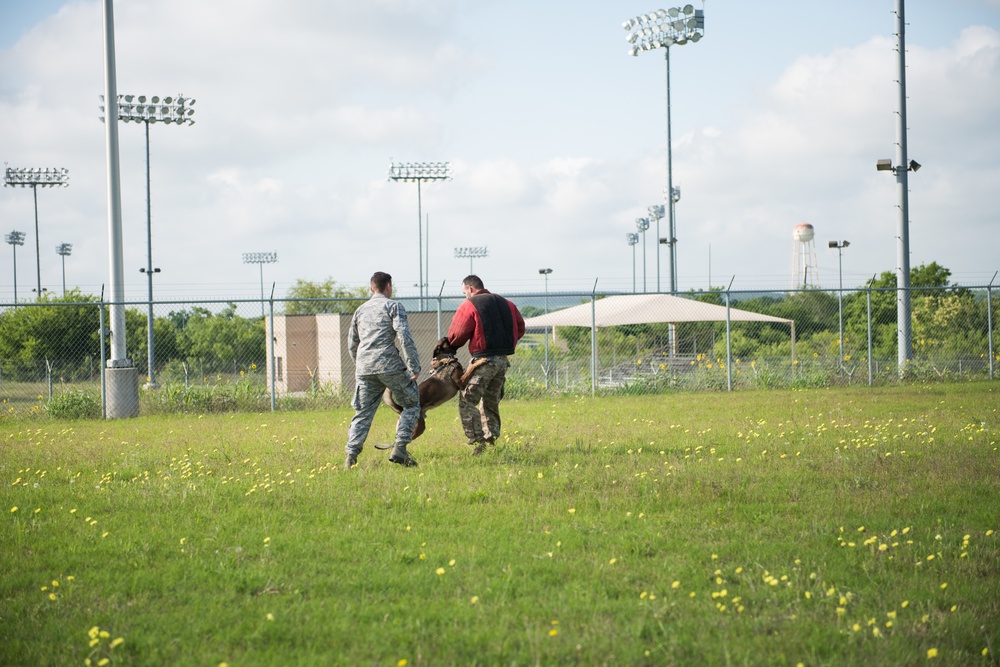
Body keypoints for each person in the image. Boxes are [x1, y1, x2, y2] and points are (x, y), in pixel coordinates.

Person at [344, 271, 421, 469]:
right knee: (412, 403)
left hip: (364, 367)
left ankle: (350, 456)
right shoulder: (393, 306)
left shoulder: (360, 311)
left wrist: (361, 364)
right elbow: (404, 336)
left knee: (362, 412)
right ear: (388, 286)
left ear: (371, 288)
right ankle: (400, 449)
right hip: (390, 366)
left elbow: (352, 343)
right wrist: (414, 366)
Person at [447, 275, 525, 455]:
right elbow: (520, 328)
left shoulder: (470, 305)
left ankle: (477, 442)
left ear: (471, 288)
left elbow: (457, 334)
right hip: (503, 361)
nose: (465, 296)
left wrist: (451, 346)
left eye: (464, 292)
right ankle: (491, 441)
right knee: (490, 402)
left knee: (467, 401)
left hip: (483, 361)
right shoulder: (508, 304)